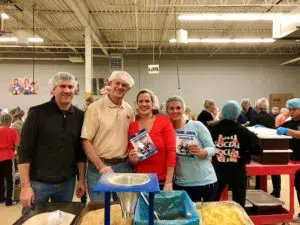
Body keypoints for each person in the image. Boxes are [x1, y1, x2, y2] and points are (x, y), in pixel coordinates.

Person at [18, 72, 86, 214]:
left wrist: (81, 180)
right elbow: (24, 151)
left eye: (70, 87)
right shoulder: (37, 114)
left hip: (67, 183)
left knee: (62, 220)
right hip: (38, 184)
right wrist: (25, 187)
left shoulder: (80, 116)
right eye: (62, 86)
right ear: (53, 89)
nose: (67, 90)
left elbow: (80, 152)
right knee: (31, 220)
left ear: (74, 90)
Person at [81, 71, 135, 203]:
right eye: (117, 83)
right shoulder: (95, 108)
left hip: (123, 167)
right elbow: (85, 141)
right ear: (109, 84)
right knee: (99, 210)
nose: (120, 87)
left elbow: (133, 137)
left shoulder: (129, 110)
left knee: (123, 209)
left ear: (128, 89)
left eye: (124, 85)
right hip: (99, 167)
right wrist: (101, 166)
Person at [209, 100, 262, 207]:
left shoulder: (212, 129)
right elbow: (258, 151)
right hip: (237, 172)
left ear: (222, 113)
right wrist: (245, 150)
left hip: (217, 171)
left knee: (212, 202)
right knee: (239, 206)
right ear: (238, 114)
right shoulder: (244, 132)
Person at [165, 96, 217, 202]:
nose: (175, 111)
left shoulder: (197, 126)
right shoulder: (167, 130)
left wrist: (203, 152)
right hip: (181, 184)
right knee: (184, 217)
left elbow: (213, 149)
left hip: (205, 183)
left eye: (178, 108)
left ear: (183, 110)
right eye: (171, 108)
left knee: (204, 217)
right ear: (167, 110)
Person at [128, 90, 176, 190]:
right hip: (140, 180)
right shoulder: (132, 126)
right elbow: (132, 154)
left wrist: (168, 182)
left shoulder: (163, 122)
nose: (144, 104)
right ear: (137, 104)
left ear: (153, 104)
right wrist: (132, 159)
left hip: (162, 180)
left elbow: (171, 152)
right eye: (140, 101)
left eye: (147, 101)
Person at [250, 97, 281, 198]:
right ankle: (277, 191)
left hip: (259, 145)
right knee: (274, 169)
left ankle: (259, 189)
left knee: (259, 168)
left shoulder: (255, 117)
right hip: (272, 144)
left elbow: (250, 132)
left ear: (257, 107)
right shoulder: (271, 117)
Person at [276, 98, 300, 222]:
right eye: (290, 109)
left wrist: (287, 131)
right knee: (299, 186)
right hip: (294, 160)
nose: (291, 112)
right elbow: (277, 130)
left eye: (294, 109)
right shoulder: (289, 122)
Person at [0, 113, 19, 206]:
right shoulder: (12, 131)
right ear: (10, 121)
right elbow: (16, 145)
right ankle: (9, 201)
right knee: (10, 179)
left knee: (0, 179)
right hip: (8, 156)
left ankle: (1, 199)